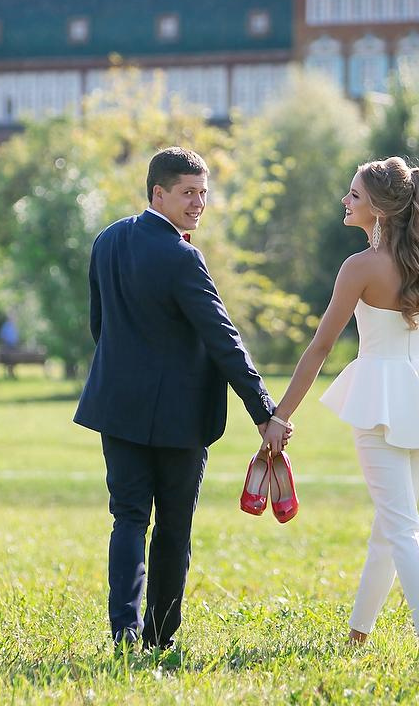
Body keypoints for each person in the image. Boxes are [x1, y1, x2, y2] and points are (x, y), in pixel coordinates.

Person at [261, 157, 419, 644]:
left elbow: (320, 347)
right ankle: (357, 635)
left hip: (380, 402)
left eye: (355, 195)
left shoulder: (359, 267)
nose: (346, 200)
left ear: (380, 209)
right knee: (391, 526)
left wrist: (280, 415)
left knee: (401, 527)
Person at [74, 146, 290, 652]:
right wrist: (264, 411)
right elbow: (223, 338)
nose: (199, 203)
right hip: (178, 418)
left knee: (128, 519)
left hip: (117, 407)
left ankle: (124, 632)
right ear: (158, 194)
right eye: (188, 193)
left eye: (204, 193)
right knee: (173, 527)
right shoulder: (182, 256)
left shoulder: (107, 240)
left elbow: (99, 327)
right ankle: (158, 639)